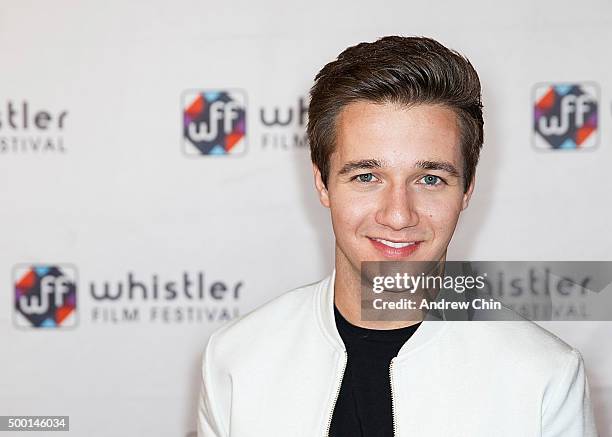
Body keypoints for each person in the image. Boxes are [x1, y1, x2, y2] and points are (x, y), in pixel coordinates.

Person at [197, 36, 598, 436]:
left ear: (468, 188)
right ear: (322, 183)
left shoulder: (544, 376)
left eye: (429, 179)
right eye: (367, 177)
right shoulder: (236, 359)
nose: (398, 214)